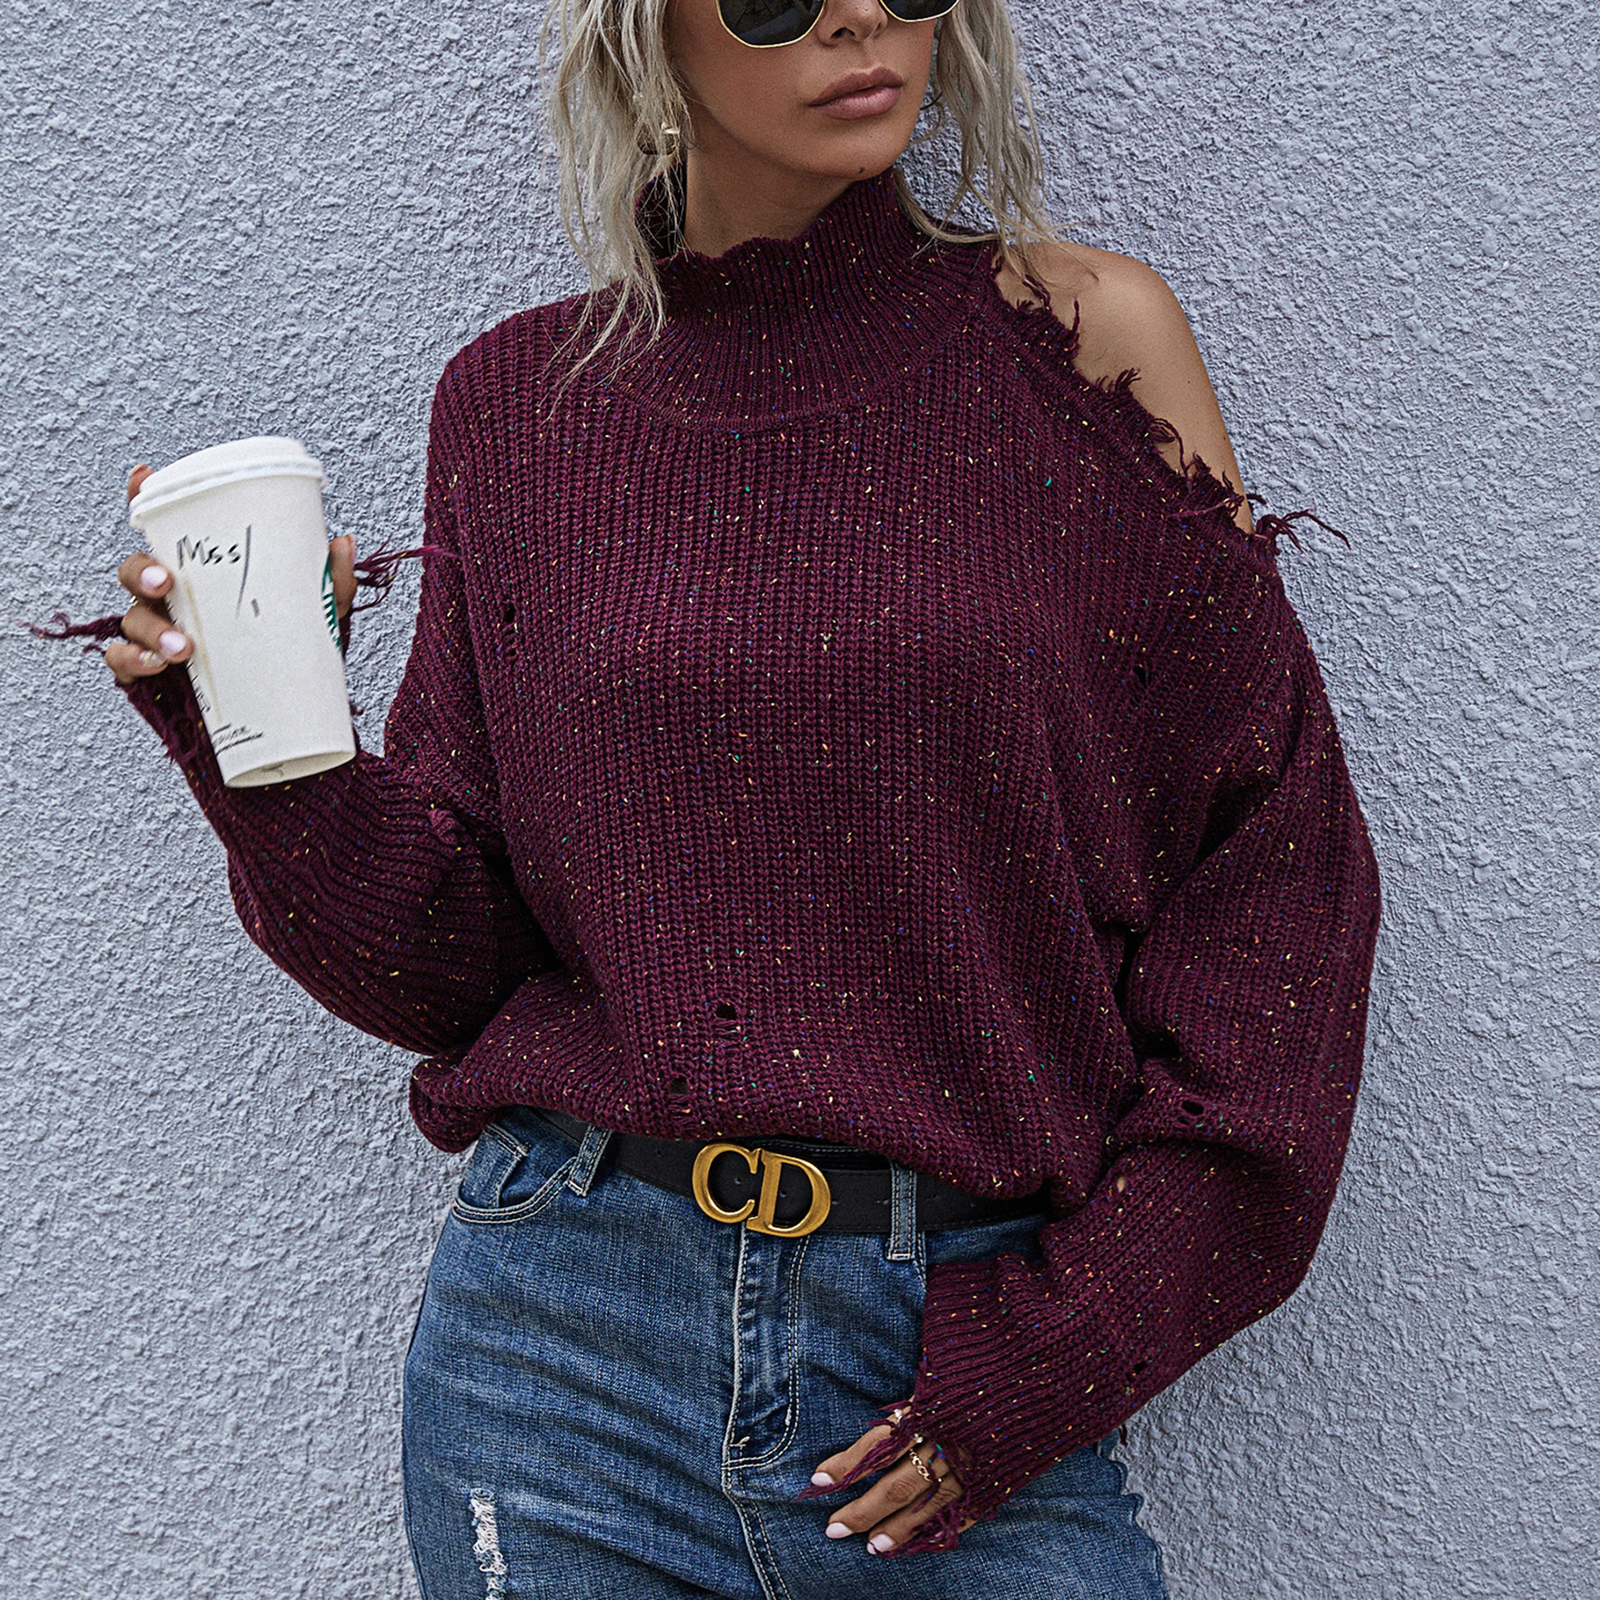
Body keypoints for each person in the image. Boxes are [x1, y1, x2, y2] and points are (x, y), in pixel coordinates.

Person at [92, 0, 1382, 1594]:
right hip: (560, 1370)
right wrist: (254, 745)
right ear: (646, 29)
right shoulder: (519, 406)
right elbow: (456, 967)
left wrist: (1076, 1335)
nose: (857, 16)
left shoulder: (1083, 343)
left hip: (952, 1360)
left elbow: (1277, 890)